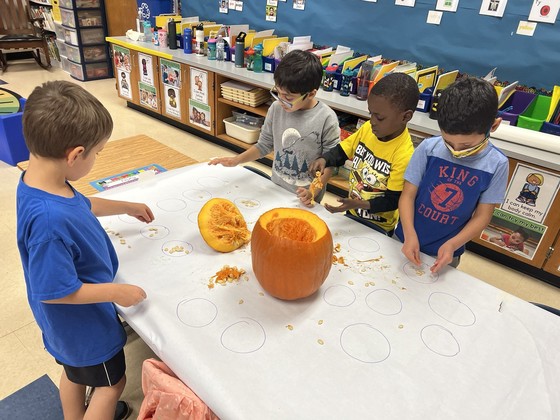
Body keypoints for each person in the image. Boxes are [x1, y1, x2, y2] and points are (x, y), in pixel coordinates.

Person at [17, 81, 155, 420]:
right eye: (97, 153)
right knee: (111, 385)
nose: (96, 158)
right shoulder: (49, 222)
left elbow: (81, 204)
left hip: (66, 332)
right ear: (76, 155)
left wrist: (125, 206)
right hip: (84, 328)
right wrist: (117, 292)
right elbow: (56, 292)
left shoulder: (41, 181)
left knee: (75, 374)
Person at [395, 76, 509, 273]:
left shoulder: (497, 164)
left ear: (494, 126)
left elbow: (482, 216)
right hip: (405, 237)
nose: (456, 150)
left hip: (448, 251)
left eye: (466, 145)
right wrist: (409, 233)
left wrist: (452, 245)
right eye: (448, 142)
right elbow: (408, 195)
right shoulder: (429, 148)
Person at [209, 49, 340, 206]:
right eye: (278, 93)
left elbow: (330, 164)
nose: (281, 100)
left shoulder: (326, 118)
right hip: (276, 189)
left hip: (306, 199)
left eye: (288, 97)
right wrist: (236, 160)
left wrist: (313, 192)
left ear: (311, 94)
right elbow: (264, 145)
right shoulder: (276, 108)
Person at [309, 72, 420, 233]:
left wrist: (362, 204)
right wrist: (324, 159)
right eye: (370, 114)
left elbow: (393, 200)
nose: (372, 121)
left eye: (379, 118)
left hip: (379, 226)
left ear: (405, 117)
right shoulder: (368, 129)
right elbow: (342, 151)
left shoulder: (404, 155)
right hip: (353, 212)